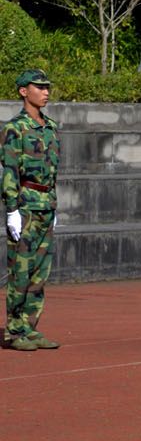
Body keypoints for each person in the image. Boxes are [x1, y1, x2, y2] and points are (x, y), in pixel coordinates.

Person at [4, 69, 60, 350]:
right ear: (24, 91)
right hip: (25, 206)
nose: (46, 92)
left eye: (47, 87)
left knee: (40, 272)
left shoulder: (50, 126)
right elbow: (10, 171)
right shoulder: (15, 128)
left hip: (46, 205)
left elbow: (53, 170)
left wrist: (54, 203)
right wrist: (11, 209)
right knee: (21, 271)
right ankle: (14, 331)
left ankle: (30, 326)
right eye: (39, 87)